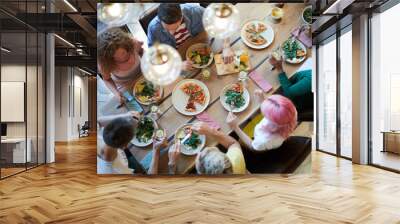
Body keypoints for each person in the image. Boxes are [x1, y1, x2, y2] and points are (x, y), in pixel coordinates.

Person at [147, 3, 234, 71]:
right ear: (159, 19)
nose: (172, 32)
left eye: (175, 27)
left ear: (181, 17)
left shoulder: (195, 11)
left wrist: (226, 46)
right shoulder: (153, 28)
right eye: (167, 29)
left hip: (205, 48)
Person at [97, 112, 167, 175]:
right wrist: (156, 150)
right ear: (125, 146)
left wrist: (125, 116)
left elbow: (98, 122)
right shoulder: (121, 172)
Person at [168, 122, 246, 175]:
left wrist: (172, 164)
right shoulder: (236, 160)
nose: (199, 152)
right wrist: (211, 131)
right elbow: (233, 143)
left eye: (199, 157)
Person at [227, 94, 298, 152]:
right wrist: (265, 101)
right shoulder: (292, 113)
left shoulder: (262, 140)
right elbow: (279, 112)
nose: (264, 116)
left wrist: (235, 127)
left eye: (266, 116)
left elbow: (252, 146)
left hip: (257, 144)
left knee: (239, 140)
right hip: (267, 137)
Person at [98, 27, 144, 105]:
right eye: (117, 57)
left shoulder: (133, 43)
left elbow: (142, 52)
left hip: (143, 75)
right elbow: (107, 79)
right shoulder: (104, 63)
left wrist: (149, 66)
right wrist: (116, 93)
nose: (123, 57)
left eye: (124, 53)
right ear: (109, 57)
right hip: (126, 86)